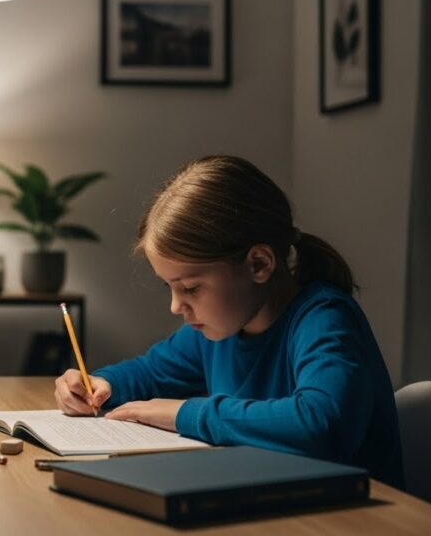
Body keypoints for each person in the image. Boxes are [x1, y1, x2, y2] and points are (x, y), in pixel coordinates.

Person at [54, 155, 403, 487]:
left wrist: (184, 414)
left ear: (259, 264)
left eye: (190, 287)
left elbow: (321, 425)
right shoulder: (214, 332)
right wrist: (99, 383)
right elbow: (149, 373)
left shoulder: (322, 318)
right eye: (170, 288)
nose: (176, 306)